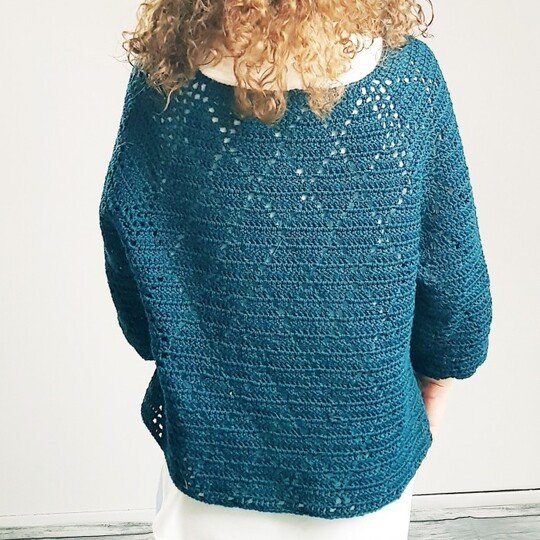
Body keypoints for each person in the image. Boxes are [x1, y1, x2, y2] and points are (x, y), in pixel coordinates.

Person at [98, 1, 493, 538]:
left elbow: (127, 246)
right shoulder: (406, 82)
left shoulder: (165, 84)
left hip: (209, 451)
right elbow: (453, 274)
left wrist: (178, 355)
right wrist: (438, 383)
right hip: (363, 453)